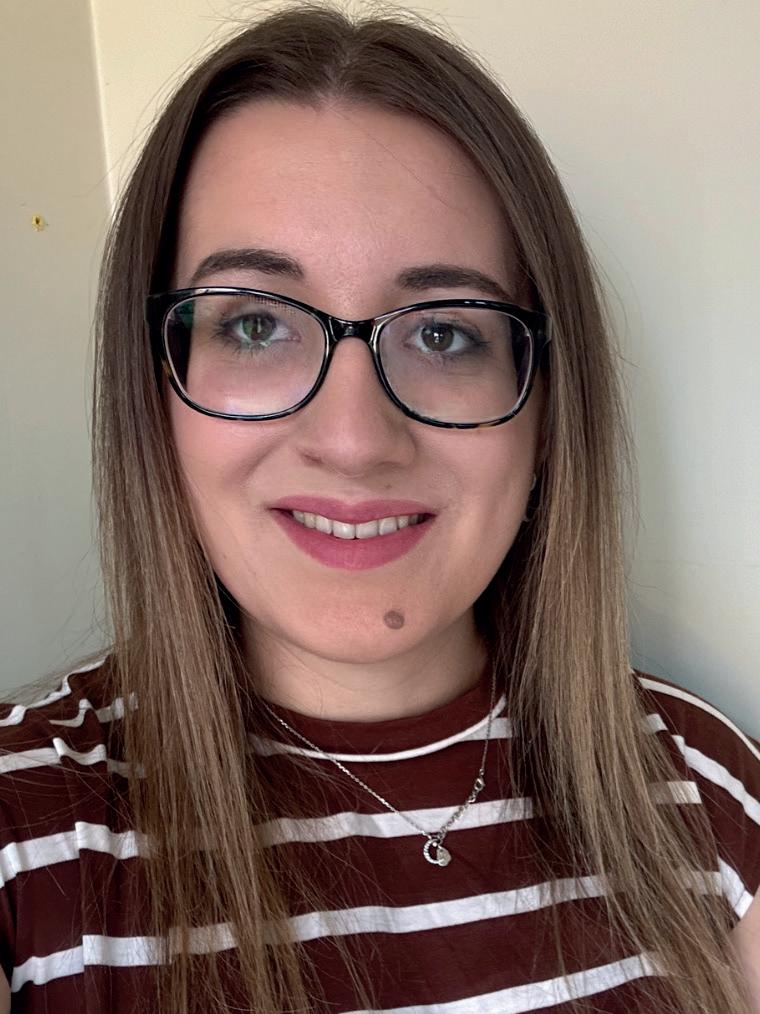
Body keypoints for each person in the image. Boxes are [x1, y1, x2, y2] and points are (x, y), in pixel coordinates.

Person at [1, 4, 758, 1013]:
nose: (354, 438)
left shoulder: (702, 786)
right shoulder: (26, 826)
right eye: (256, 324)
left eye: (444, 333)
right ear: (154, 396)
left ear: (544, 411)